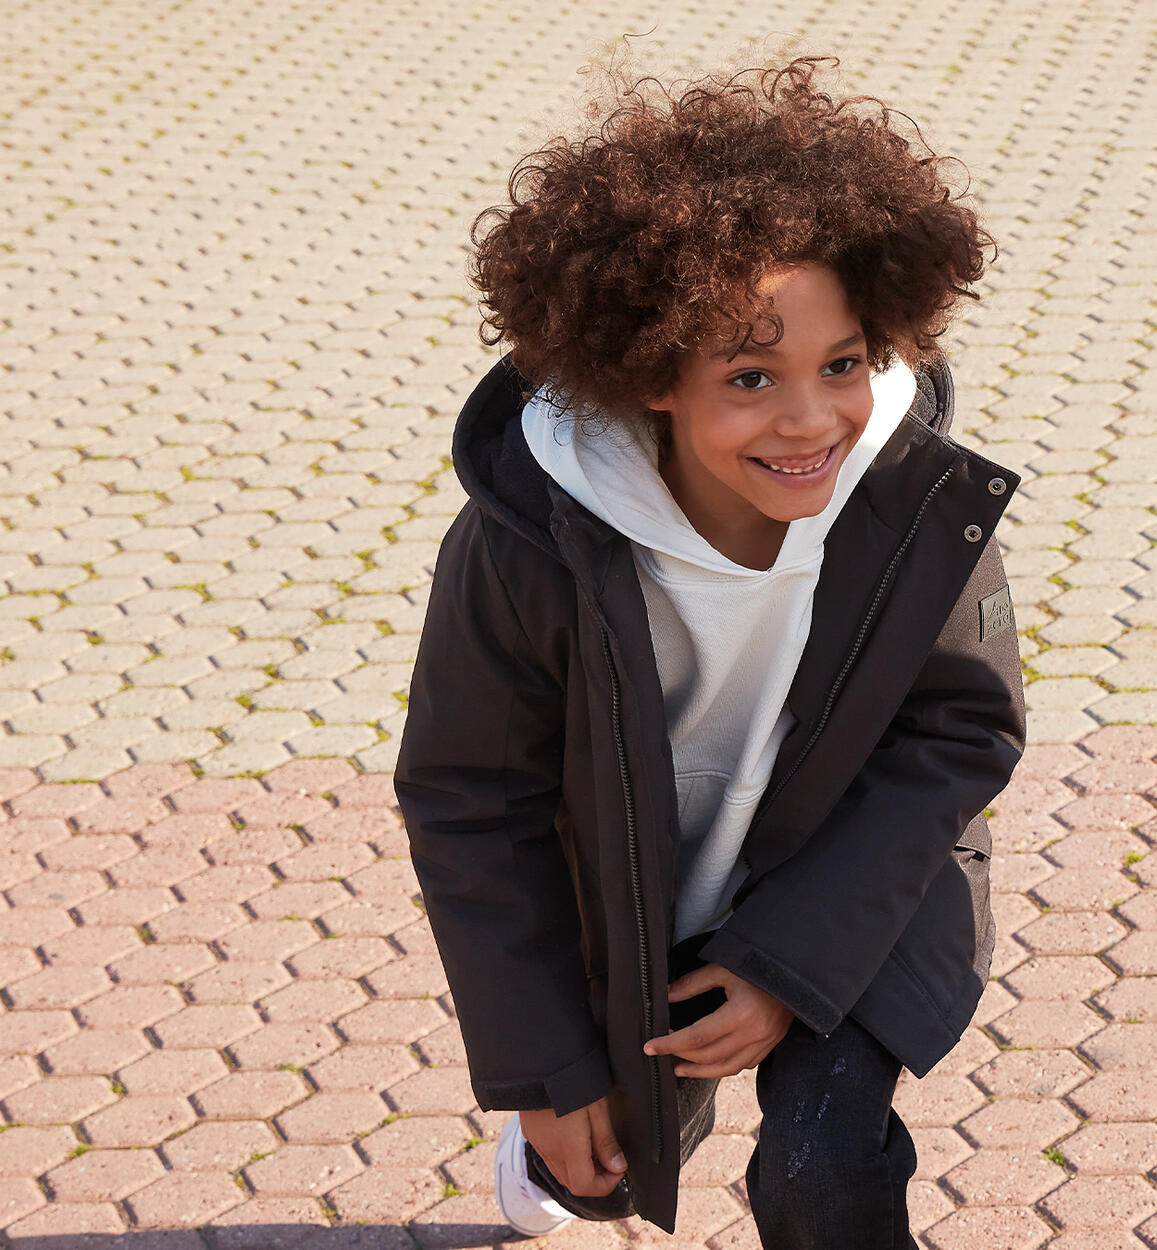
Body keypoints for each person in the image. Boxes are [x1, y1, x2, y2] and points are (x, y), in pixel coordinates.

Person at [394, 54, 1025, 1248]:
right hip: (639, 875)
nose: (808, 418)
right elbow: (473, 796)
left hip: (855, 873)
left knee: (818, 1169)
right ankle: (550, 1163)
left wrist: (786, 965)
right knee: (596, 1164)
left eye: (841, 362)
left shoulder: (906, 498)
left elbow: (960, 724)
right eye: (748, 376)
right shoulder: (529, 539)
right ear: (649, 378)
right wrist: (543, 1067)